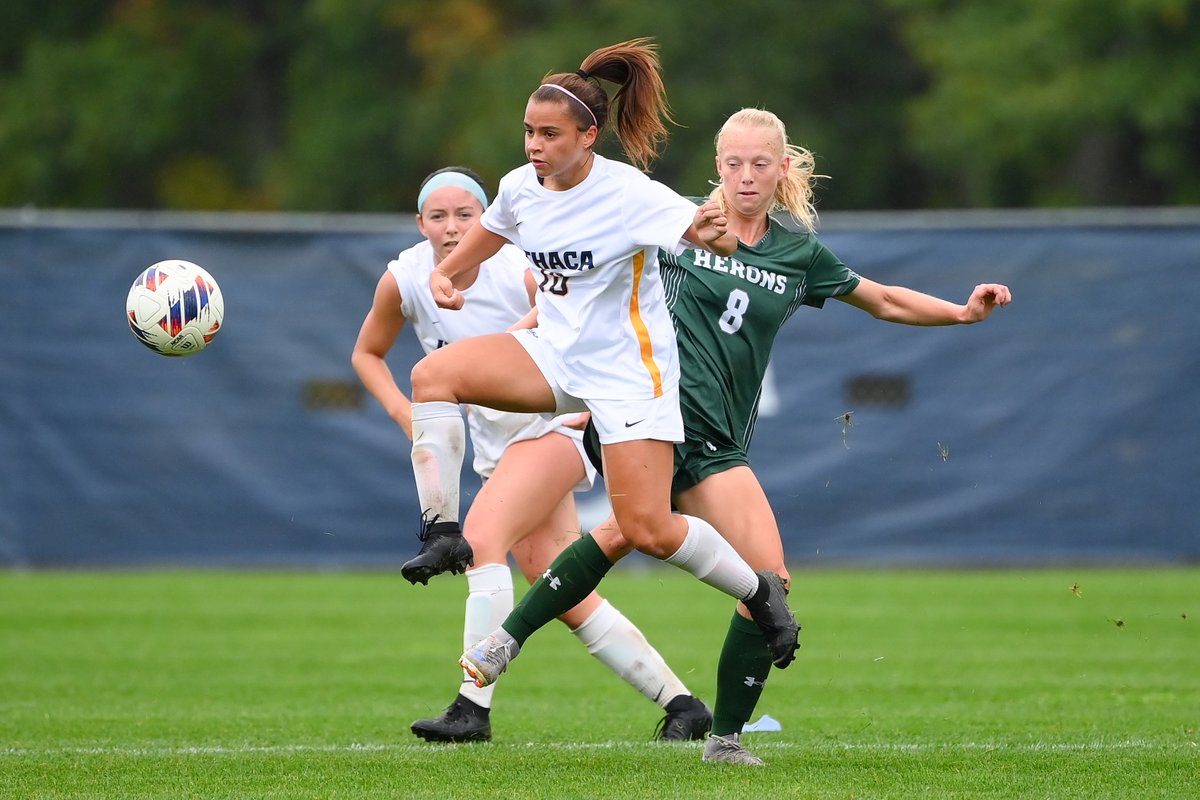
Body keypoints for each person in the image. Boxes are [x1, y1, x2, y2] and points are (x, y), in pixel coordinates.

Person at [462, 107, 1013, 765]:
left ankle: (709, 730)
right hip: (649, 415)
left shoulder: (796, 252)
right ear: (716, 167)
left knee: (754, 575)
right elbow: (580, 289)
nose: (745, 177)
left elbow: (883, 298)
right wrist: (543, 349)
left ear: (782, 170)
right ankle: (521, 649)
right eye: (732, 163)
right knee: (629, 534)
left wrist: (960, 312)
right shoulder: (676, 223)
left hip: (720, 438)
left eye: (759, 164)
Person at [401, 39, 804, 676]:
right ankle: (442, 532)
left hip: (627, 377)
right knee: (432, 376)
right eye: (529, 131)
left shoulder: (628, 194)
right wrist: (448, 271)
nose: (534, 144)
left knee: (648, 529)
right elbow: (496, 225)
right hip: (554, 356)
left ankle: (762, 593)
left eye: (550, 133)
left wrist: (711, 232)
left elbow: (698, 230)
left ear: (588, 136)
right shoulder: (521, 186)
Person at [351, 166, 712, 743]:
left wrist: (517, 352)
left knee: (480, 542)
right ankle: (684, 706)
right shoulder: (406, 277)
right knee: (557, 585)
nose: (451, 228)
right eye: (438, 216)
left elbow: (569, 317)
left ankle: (472, 706)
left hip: (555, 425)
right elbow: (367, 353)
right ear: (419, 223)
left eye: (465, 215)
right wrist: (406, 414)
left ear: (487, 218)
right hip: (497, 446)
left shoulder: (518, 262)